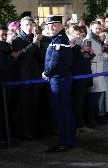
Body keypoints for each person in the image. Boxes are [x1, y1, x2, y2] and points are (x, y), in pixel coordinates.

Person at [42, 15, 76, 152]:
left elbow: (55, 61)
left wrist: (46, 73)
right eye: (49, 26)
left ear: (61, 26)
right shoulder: (59, 39)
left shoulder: (59, 40)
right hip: (61, 78)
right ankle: (70, 140)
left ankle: (64, 142)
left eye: (54, 25)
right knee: (65, 110)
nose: (51, 28)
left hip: (58, 79)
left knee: (62, 111)